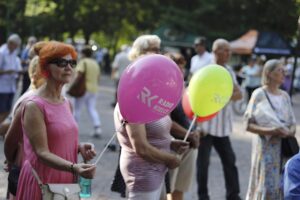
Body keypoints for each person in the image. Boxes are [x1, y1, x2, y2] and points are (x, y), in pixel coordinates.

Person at [14, 41, 96, 199]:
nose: (68, 67)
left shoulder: (66, 103)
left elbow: (58, 137)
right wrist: (73, 167)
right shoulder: (34, 105)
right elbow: (42, 152)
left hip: (65, 179)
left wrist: (78, 147)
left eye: (72, 62)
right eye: (61, 63)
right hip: (42, 181)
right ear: (45, 68)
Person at [113, 35, 190, 200]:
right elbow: (140, 147)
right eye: (155, 50)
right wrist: (170, 158)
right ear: (140, 55)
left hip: (157, 171)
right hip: (142, 174)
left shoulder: (150, 94)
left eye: (159, 50)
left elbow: (154, 128)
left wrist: (170, 143)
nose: (159, 54)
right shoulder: (134, 96)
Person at [196, 38, 242, 200]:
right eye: (226, 50)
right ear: (216, 51)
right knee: (203, 164)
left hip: (222, 127)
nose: (229, 54)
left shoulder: (229, 71)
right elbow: (197, 96)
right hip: (205, 126)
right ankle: (203, 196)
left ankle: (233, 195)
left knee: (230, 161)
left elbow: (239, 94)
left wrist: (221, 95)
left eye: (230, 51)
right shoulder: (206, 70)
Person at [244, 59, 296, 200]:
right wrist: (271, 131)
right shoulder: (259, 94)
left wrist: (289, 131)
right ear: (269, 73)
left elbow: (292, 122)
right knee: (266, 185)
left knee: (282, 184)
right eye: (280, 70)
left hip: (284, 149)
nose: (283, 73)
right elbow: (248, 125)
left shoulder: (284, 96)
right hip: (266, 150)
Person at [4, 51, 45, 200]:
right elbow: (11, 137)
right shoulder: (30, 100)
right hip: (24, 163)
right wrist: (10, 159)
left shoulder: (39, 97)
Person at [164, 52, 200, 200]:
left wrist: (196, 131)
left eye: (182, 68)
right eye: (177, 68)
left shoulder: (185, 88)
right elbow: (165, 121)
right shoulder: (164, 90)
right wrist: (189, 133)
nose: (181, 72)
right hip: (172, 145)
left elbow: (191, 114)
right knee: (168, 189)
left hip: (189, 145)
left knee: (180, 189)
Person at [73, 46, 102, 138]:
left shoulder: (83, 62)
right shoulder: (95, 63)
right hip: (94, 89)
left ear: (83, 54)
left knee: (77, 109)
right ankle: (97, 127)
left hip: (82, 89)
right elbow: (98, 77)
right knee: (92, 108)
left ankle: (73, 129)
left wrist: (72, 86)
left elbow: (78, 75)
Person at [0, 34, 22, 124]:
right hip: (2, 87)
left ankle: (1, 129)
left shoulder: (14, 52)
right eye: (15, 46)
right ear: (10, 43)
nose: (16, 48)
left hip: (11, 86)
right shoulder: (1, 53)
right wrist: (8, 71)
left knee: (8, 110)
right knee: (2, 111)